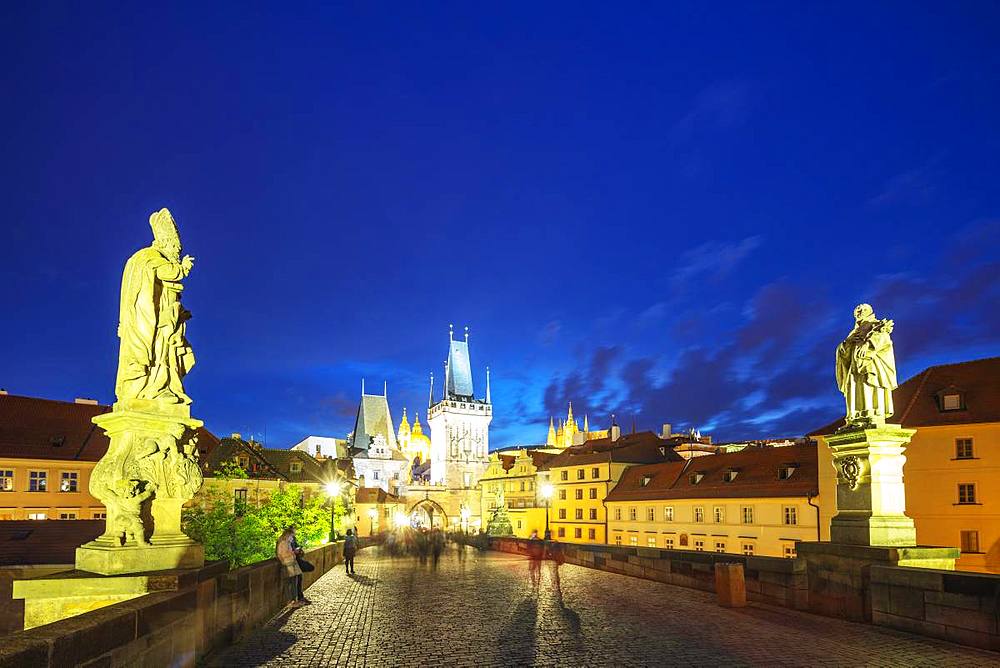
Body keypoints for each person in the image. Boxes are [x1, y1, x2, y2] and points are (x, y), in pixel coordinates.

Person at [276, 527, 306, 607]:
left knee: (294, 582)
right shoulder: (283, 543)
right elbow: (280, 554)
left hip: (291, 563)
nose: (292, 537)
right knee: (290, 583)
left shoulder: (287, 542)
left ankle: (294, 600)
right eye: (291, 535)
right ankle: (291, 601)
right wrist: (293, 552)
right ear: (287, 534)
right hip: (288, 563)